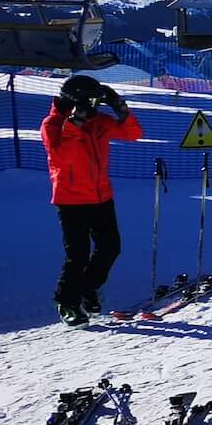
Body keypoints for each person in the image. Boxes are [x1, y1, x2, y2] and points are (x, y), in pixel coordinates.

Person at [42, 75, 144, 325]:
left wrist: (120, 107)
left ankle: (87, 290)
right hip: (71, 200)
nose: (95, 106)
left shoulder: (98, 121)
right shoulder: (52, 124)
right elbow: (62, 156)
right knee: (77, 255)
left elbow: (133, 133)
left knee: (110, 248)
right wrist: (75, 122)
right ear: (77, 101)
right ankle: (66, 302)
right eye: (92, 100)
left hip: (101, 196)